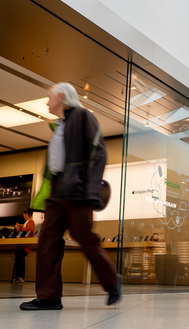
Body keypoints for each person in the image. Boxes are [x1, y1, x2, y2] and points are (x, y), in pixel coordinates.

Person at [20, 83, 122, 311]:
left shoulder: (84, 116)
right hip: (57, 191)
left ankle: (113, 281)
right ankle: (49, 296)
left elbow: (99, 152)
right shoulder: (61, 125)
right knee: (47, 241)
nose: (47, 102)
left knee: (85, 238)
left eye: (49, 97)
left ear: (62, 96)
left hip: (76, 189)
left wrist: (92, 190)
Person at [13, 209, 36, 283]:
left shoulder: (31, 222)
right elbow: (21, 232)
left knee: (21, 259)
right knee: (18, 259)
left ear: (29, 214)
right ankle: (17, 277)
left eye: (25, 214)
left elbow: (29, 229)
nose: (23, 215)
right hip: (21, 243)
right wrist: (19, 228)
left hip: (25, 244)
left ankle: (21, 277)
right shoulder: (25, 223)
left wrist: (20, 226)